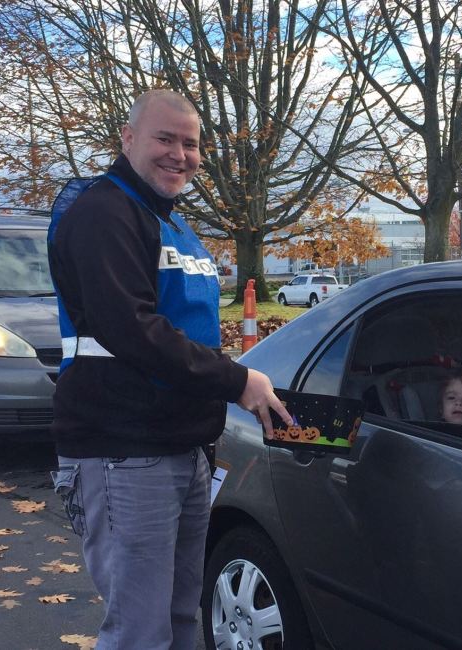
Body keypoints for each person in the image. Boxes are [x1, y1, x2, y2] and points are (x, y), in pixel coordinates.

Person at [47, 89, 291, 650]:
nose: (180, 154)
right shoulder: (105, 213)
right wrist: (238, 381)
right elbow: (131, 328)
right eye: (165, 138)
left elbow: (185, 331)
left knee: (185, 618)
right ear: (128, 139)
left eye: (191, 143)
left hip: (183, 447)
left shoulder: (170, 222)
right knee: (140, 631)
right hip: (124, 450)